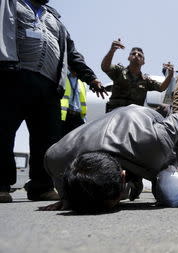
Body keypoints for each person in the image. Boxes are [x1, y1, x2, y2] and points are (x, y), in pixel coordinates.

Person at [0, 0, 106, 203]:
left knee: (46, 139)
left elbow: (72, 53)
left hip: (49, 86)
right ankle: (1, 185)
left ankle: (41, 186)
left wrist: (91, 78)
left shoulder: (55, 20)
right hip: (13, 75)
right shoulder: (12, 4)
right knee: (3, 131)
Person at [41, 105, 178, 212]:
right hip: (116, 135)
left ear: (123, 177)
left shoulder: (156, 143)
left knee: (165, 188)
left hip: (141, 118)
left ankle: (136, 183)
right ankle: (135, 185)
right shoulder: (57, 158)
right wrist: (68, 198)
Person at [101, 39, 174, 112]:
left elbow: (161, 87)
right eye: (133, 54)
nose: (136, 55)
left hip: (134, 116)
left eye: (139, 55)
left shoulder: (145, 80)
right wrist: (112, 50)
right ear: (128, 58)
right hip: (115, 113)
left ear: (143, 62)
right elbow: (105, 67)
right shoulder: (119, 71)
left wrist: (170, 75)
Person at [60, 70, 87, 136]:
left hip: (78, 116)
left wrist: (84, 119)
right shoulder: (62, 78)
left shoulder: (82, 83)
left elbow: (83, 101)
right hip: (65, 115)